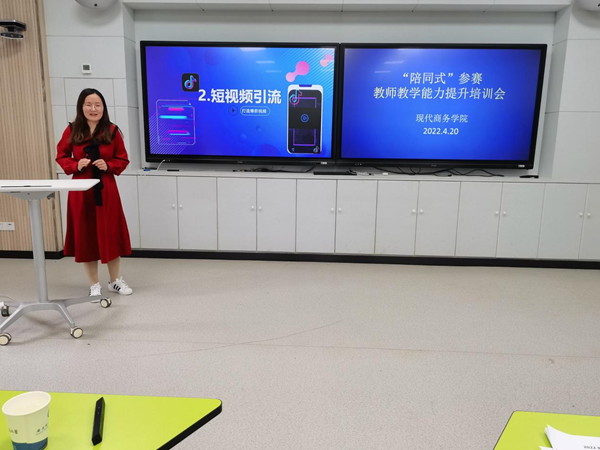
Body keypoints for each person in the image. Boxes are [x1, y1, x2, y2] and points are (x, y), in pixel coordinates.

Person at [56, 88, 133, 297]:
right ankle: (94, 284)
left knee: (111, 233)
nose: (93, 109)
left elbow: (122, 159)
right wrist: (75, 164)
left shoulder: (112, 130)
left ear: (103, 108)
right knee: (86, 235)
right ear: (81, 107)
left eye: (98, 105)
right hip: (81, 191)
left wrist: (108, 165)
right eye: (89, 104)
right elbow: (61, 155)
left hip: (106, 190)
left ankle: (115, 281)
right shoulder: (72, 130)